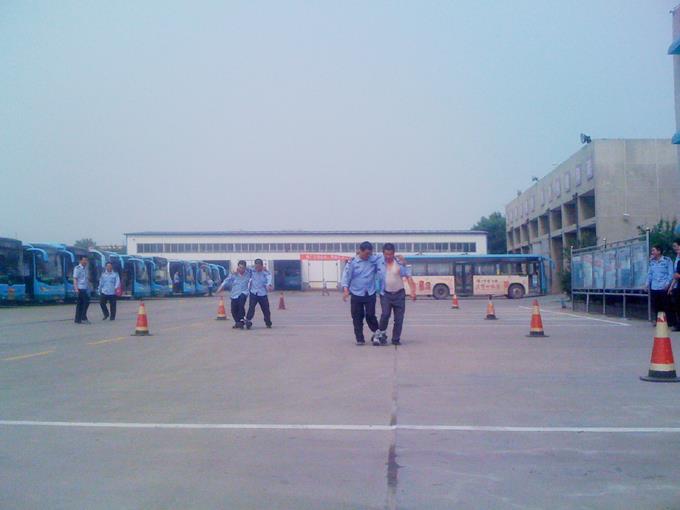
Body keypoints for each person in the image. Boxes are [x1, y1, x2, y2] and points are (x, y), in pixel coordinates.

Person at [375, 243, 416, 346]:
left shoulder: (400, 263)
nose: (388, 256)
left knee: (399, 319)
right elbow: (367, 257)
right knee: (385, 315)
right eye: (386, 254)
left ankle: (395, 339)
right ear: (383, 253)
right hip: (385, 294)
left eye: (390, 254)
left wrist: (412, 291)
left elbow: (408, 276)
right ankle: (381, 334)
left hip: (399, 294)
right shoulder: (379, 262)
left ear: (394, 253)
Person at [341, 241, 382, 345]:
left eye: (370, 253)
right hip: (356, 293)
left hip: (370, 293)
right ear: (360, 251)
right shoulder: (352, 262)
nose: (368, 256)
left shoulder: (373, 259)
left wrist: (400, 258)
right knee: (357, 317)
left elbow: (385, 256)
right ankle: (360, 339)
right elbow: (346, 276)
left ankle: (377, 334)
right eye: (366, 253)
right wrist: (345, 290)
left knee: (370, 315)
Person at [216, 260, 251, 329]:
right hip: (234, 294)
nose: (241, 269)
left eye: (243, 268)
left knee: (241, 305)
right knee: (233, 310)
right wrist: (220, 288)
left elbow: (256, 270)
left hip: (243, 293)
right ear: (238, 267)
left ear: (245, 268)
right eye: (240, 267)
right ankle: (238, 322)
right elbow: (226, 281)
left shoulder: (248, 274)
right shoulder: (233, 274)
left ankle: (242, 320)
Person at [647, 244, 675, 326]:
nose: (652, 252)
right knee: (656, 306)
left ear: (659, 251)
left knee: (667, 305)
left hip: (663, 287)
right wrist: (647, 283)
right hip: (654, 287)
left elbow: (670, 273)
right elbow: (650, 274)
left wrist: (668, 284)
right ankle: (659, 321)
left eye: (653, 250)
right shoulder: (652, 262)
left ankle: (670, 322)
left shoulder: (667, 260)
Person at [245, 259, 273, 329]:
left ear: (262, 266)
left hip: (262, 293)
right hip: (253, 292)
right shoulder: (252, 271)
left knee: (266, 309)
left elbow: (269, 279)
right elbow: (245, 268)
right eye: (256, 266)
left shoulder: (266, 273)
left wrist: (269, 285)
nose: (257, 268)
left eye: (259, 266)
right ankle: (248, 321)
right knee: (251, 308)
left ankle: (268, 322)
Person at [73, 255, 91, 324]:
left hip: (85, 288)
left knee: (81, 304)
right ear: (80, 261)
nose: (85, 262)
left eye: (86, 260)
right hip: (80, 288)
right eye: (84, 260)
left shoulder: (86, 268)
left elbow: (87, 279)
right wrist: (76, 289)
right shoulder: (77, 268)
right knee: (85, 302)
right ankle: (83, 318)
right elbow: (75, 279)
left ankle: (77, 319)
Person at [669, 239, 680, 332]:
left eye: (675, 246)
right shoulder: (677, 259)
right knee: (677, 306)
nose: (674, 248)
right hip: (677, 285)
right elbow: (676, 274)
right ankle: (678, 324)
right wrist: (671, 286)